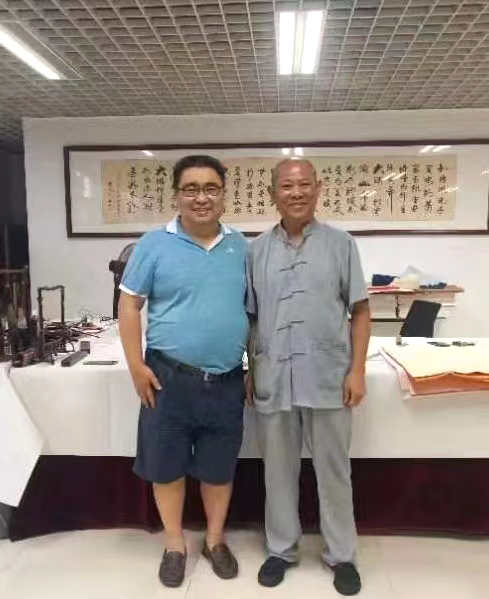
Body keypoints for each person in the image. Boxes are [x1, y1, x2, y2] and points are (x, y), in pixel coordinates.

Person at [118, 155, 248, 588]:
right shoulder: (153, 244)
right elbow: (129, 304)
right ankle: (174, 545)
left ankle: (214, 540)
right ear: (176, 195)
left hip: (227, 379)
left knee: (218, 469)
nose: (201, 197)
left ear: (223, 195)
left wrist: (255, 366)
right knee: (166, 467)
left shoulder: (241, 247)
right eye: (191, 189)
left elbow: (251, 312)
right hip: (167, 379)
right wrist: (135, 365)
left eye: (211, 188)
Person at [246, 158, 371, 596]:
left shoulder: (341, 244)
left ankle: (342, 555)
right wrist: (251, 368)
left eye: (304, 185)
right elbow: (251, 317)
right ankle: (281, 550)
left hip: (328, 376)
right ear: (272, 194)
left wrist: (357, 369)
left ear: (318, 189)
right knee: (277, 472)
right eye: (286, 186)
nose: (296, 192)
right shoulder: (256, 251)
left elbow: (360, 311)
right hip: (274, 375)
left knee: (334, 471)